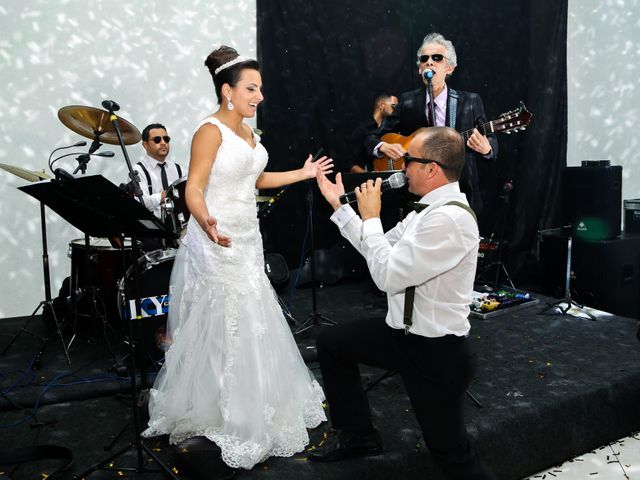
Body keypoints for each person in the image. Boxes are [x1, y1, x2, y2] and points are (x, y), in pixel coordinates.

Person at [142, 46, 329, 475]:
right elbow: (195, 186)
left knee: (253, 318)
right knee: (226, 321)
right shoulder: (209, 131)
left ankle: (255, 401)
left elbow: (256, 178)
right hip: (216, 239)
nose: (259, 96)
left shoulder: (249, 133)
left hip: (247, 239)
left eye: (260, 88)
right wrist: (203, 217)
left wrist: (302, 174)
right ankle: (228, 409)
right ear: (227, 91)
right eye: (251, 88)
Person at [310, 126, 496, 479]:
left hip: (435, 351)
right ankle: (359, 436)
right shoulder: (423, 212)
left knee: (451, 453)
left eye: (408, 160)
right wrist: (339, 205)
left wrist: (371, 217)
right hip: (401, 335)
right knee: (332, 344)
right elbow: (375, 248)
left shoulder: (450, 219)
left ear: (432, 169)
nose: (401, 168)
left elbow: (387, 277)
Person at [366, 32, 498, 213]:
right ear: (420, 68)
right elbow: (373, 136)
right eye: (424, 58)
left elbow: (491, 141)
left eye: (437, 58)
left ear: (449, 68)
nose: (430, 62)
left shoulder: (470, 102)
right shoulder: (407, 101)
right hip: (416, 196)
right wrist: (382, 146)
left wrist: (487, 149)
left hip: (460, 192)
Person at [132, 123, 183, 218]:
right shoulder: (138, 170)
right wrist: (165, 195)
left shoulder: (178, 169)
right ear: (145, 145)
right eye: (157, 140)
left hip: (180, 226)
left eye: (166, 139)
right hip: (154, 228)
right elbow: (139, 202)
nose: (163, 143)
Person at [345, 91, 398, 173]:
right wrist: (368, 176)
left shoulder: (395, 127)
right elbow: (350, 162)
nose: (396, 110)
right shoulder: (362, 130)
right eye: (394, 106)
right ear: (382, 106)